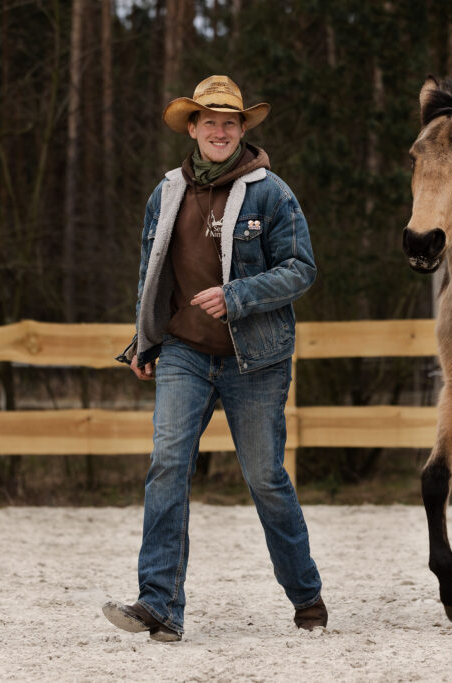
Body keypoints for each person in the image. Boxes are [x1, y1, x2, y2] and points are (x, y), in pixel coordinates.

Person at [103, 75, 326, 642]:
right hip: (183, 353)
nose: (220, 130)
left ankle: (306, 595)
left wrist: (237, 296)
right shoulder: (167, 193)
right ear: (193, 128)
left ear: (242, 129)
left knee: (265, 478)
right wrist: (145, 340)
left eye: (230, 122)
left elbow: (302, 269)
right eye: (210, 121)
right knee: (167, 467)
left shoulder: (271, 192)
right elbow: (151, 274)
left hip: (256, 360)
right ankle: (159, 605)